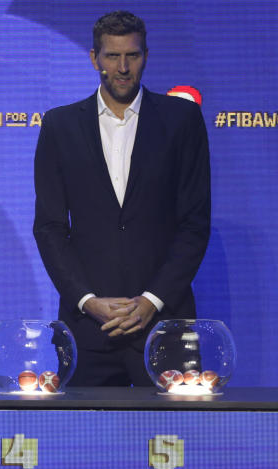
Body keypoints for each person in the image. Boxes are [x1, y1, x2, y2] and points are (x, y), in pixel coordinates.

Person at [33, 11, 210, 387]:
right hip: (87, 327)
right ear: (95, 58)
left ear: (146, 55)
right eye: (112, 56)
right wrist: (88, 301)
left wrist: (151, 301)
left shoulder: (182, 120)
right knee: (82, 444)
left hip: (166, 323)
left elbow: (194, 223)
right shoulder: (59, 126)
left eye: (133, 55)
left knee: (178, 441)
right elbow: (49, 227)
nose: (123, 67)